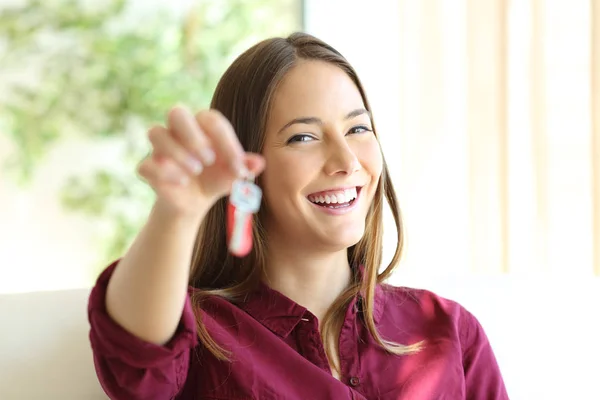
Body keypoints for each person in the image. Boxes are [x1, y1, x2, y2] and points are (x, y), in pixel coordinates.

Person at [87, 32, 509, 400]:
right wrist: (177, 213)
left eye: (358, 129)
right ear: (248, 167)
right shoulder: (202, 336)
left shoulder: (450, 330)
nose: (345, 161)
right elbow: (135, 354)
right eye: (303, 137)